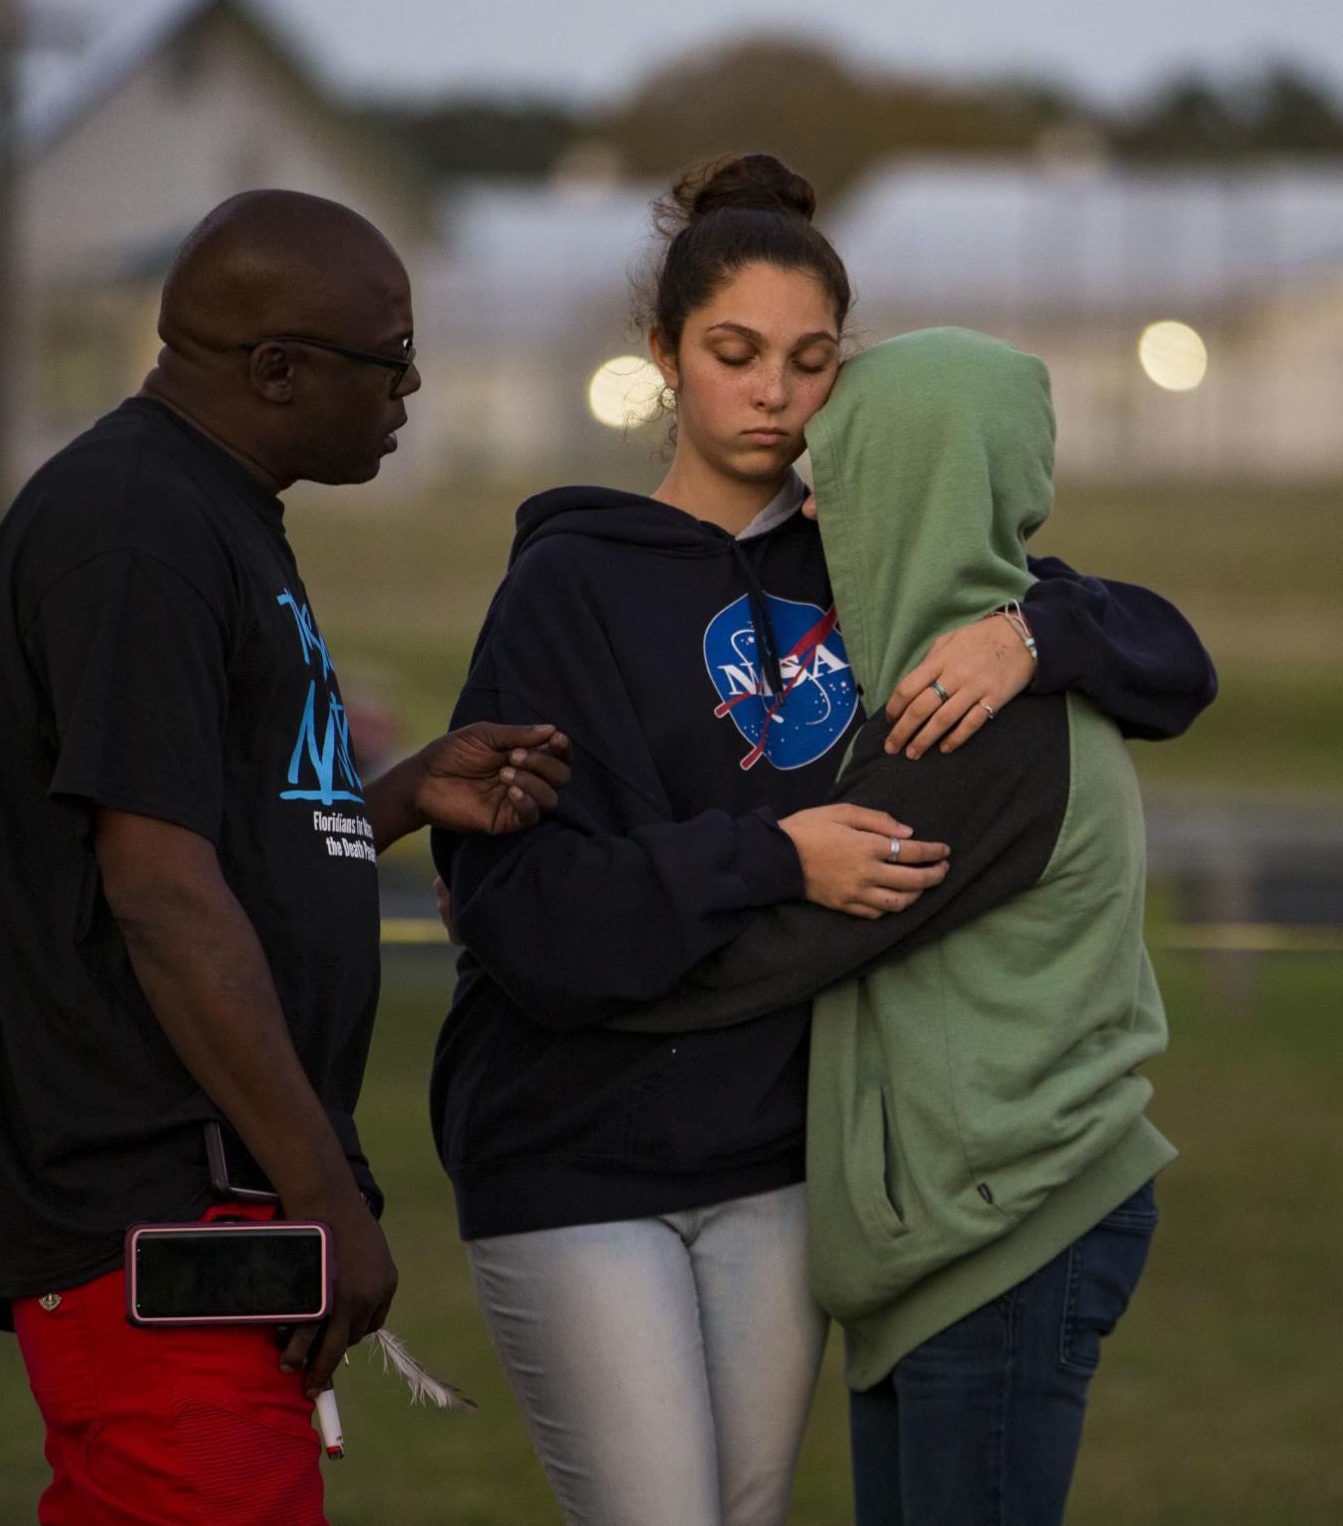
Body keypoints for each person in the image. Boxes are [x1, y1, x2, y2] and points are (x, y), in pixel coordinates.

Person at [428, 155, 1215, 1526]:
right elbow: (524, 905)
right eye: (734, 353)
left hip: (779, 1162)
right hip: (577, 1141)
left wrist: (1040, 630)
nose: (774, 392)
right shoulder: (568, 588)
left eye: (810, 360)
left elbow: (1173, 661)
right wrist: (775, 855)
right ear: (665, 354)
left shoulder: (860, 567)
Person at [0, 190, 571, 1526]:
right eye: (390, 358)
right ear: (276, 367)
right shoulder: (137, 525)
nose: (412, 388)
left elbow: (203, 833)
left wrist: (384, 799)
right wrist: (322, 1182)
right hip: (151, 1195)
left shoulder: (213, 508)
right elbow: (156, 890)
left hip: (203, 1196)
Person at [618, 327, 1175, 1526]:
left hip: (1013, 1230)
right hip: (952, 1233)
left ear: (917, 481)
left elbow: (780, 952)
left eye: (843, 470)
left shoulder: (977, 727)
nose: (810, 505)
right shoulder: (951, 671)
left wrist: (562, 951)